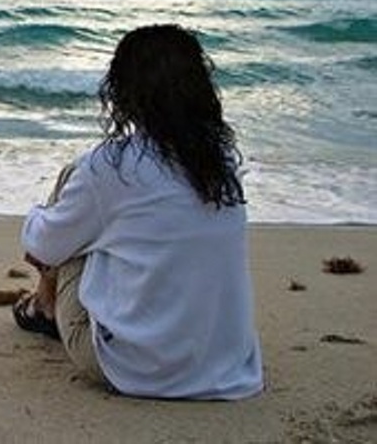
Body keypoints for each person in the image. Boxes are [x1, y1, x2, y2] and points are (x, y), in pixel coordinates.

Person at [15, 24, 263, 400]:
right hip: (227, 367)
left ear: (123, 91)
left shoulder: (110, 168)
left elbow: (42, 246)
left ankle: (44, 306)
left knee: (73, 188)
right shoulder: (222, 161)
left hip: (132, 369)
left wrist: (38, 214)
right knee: (115, 226)